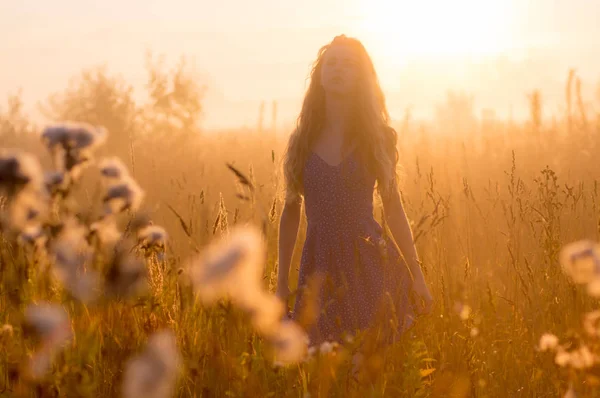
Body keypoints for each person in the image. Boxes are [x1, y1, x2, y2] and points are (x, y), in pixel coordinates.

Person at [276, 35, 433, 349]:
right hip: (318, 265)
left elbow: (394, 209)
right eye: (331, 63)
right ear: (319, 75)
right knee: (322, 361)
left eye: (348, 64)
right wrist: (281, 283)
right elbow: (291, 211)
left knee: (366, 358)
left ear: (361, 76)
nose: (338, 69)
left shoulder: (377, 138)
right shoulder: (302, 141)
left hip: (368, 261)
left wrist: (417, 274)